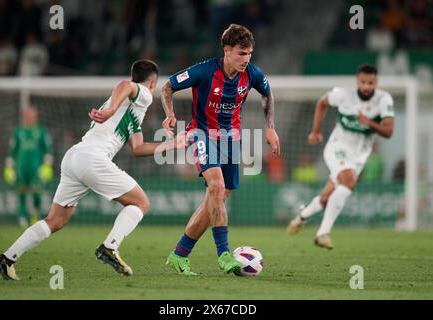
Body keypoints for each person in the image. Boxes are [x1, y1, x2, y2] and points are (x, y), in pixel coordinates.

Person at [0, 60, 187, 280]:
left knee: (55, 221)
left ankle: (7, 258)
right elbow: (126, 85)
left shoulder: (131, 111)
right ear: (152, 83)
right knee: (141, 203)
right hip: (93, 159)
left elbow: (138, 148)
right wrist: (111, 110)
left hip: (74, 157)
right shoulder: (143, 93)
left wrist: (174, 144)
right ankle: (110, 247)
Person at [161, 24, 280, 275]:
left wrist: (270, 127)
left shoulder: (253, 75)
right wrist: (170, 114)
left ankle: (179, 254)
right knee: (216, 187)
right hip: (202, 134)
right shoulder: (205, 70)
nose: (246, 59)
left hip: (231, 139)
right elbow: (168, 87)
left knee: (215, 200)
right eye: (240, 53)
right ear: (227, 51)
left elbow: (268, 95)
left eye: (249, 53)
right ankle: (224, 255)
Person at [286, 64, 395, 249]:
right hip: (337, 147)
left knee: (327, 196)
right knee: (348, 182)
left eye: (371, 82)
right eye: (363, 82)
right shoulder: (344, 95)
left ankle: (302, 217)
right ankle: (322, 233)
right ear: (357, 81)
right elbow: (322, 102)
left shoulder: (384, 100)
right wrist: (315, 131)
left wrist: (368, 122)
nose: (367, 86)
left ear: (376, 82)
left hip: (359, 155)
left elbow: (388, 131)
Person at [4, 106, 54, 227]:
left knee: (36, 192)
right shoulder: (18, 131)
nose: (31, 118)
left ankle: (35, 214)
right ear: (24, 116)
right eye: (29, 116)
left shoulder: (41, 131)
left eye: (33, 116)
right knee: (21, 192)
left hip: (37, 168)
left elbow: (48, 149)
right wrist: (9, 166)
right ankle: (22, 216)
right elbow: (12, 150)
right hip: (21, 167)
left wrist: (47, 164)